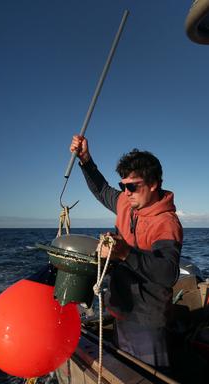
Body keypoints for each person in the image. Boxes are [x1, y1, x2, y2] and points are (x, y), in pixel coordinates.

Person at [69, 135, 183, 368]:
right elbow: (102, 190)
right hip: (121, 309)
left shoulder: (166, 223)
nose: (126, 192)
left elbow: (167, 273)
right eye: (123, 186)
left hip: (148, 320)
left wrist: (125, 253)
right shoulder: (127, 203)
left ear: (153, 184)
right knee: (127, 371)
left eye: (132, 186)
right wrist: (85, 160)